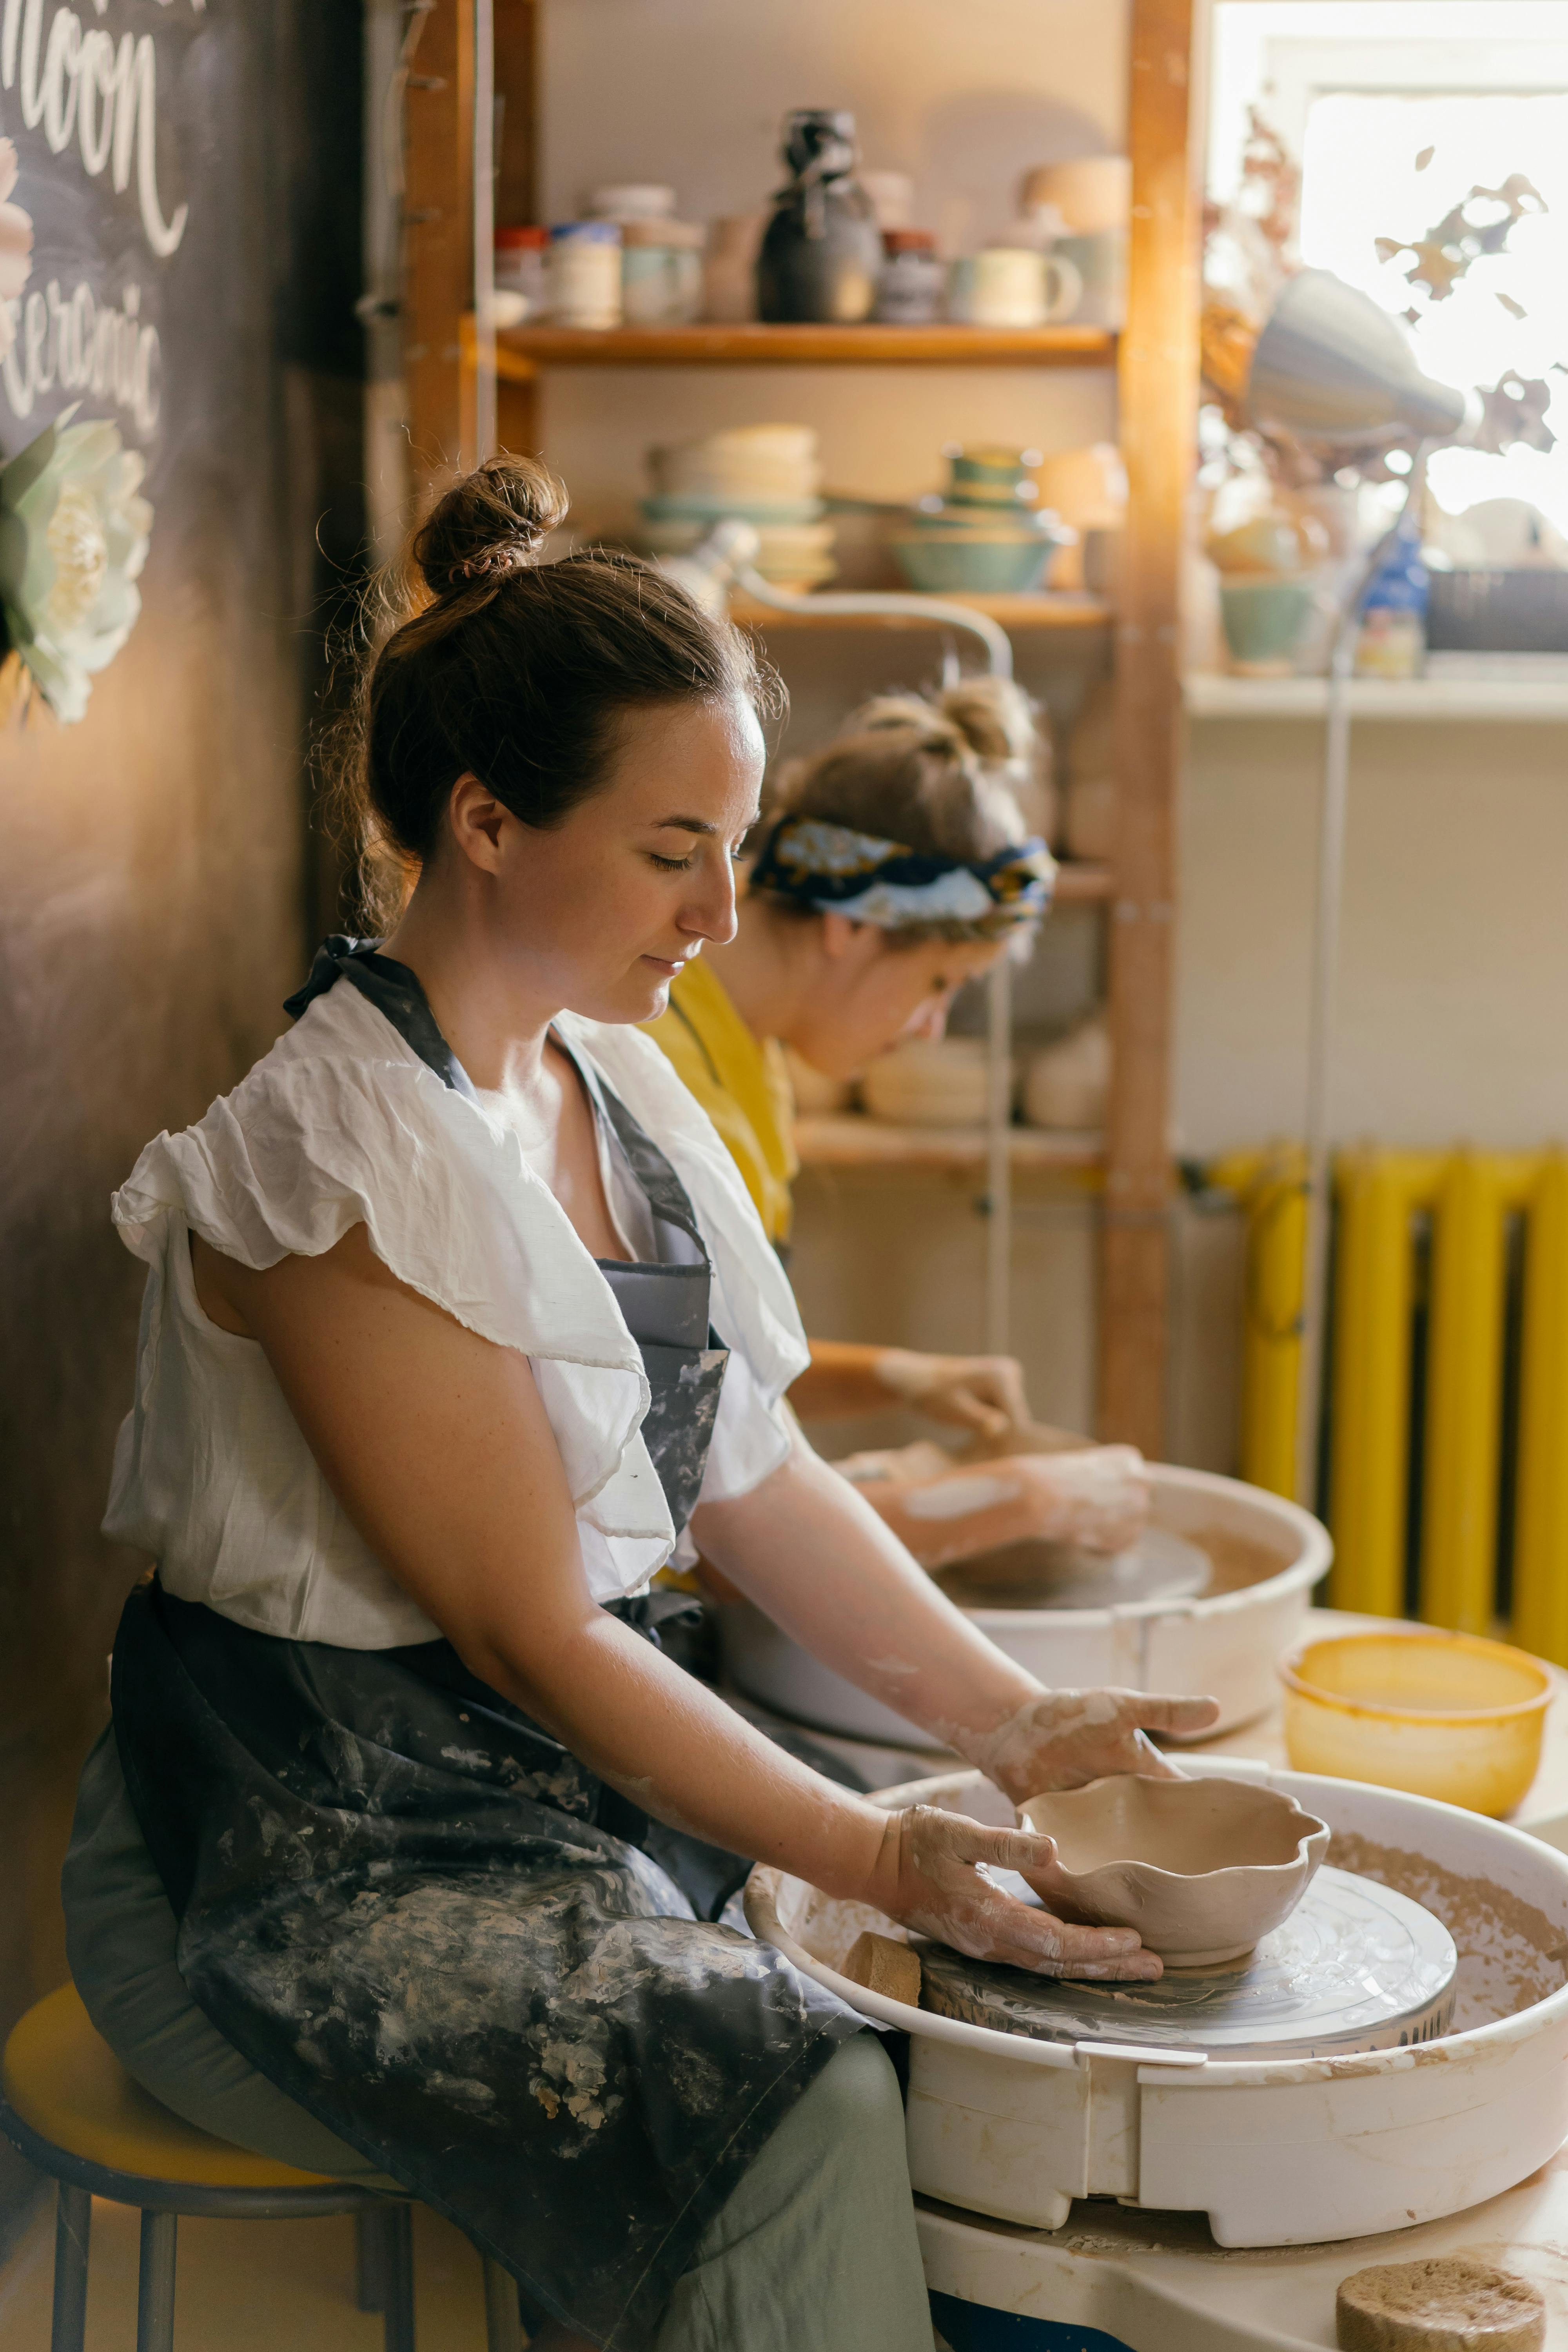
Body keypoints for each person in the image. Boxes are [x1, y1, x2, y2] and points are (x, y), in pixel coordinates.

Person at [62, 457, 1216, 2352]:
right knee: (808, 2079)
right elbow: (527, 1628)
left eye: (736, 845)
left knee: (956, 1982)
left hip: (531, 1799)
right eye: (673, 846)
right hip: (296, 1851)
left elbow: (753, 1474)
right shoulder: (338, 1157)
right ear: (488, 819)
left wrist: (1016, 1725)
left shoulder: (617, 1079)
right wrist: (868, 1842)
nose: (718, 906)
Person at [645, 679, 1149, 1573]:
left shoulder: (748, 1051)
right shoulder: (666, 1089)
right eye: (937, 983)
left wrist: (901, 1376)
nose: (929, 1028)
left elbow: (721, 1366)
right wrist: (1022, 1499)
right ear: (852, 924)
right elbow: (701, 1522)